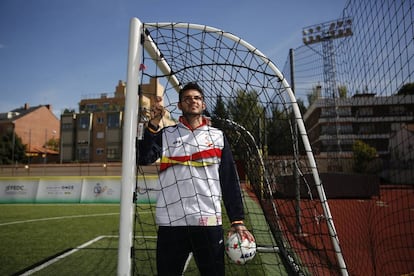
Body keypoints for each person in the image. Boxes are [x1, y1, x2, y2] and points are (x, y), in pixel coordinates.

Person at [138, 82, 255, 276]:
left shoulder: (218, 136)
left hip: (208, 221)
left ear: (203, 105)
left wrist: (237, 220)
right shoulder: (166, 134)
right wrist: (153, 124)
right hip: (171, 222)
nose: (192, 100)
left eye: (197, 98)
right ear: (179, 106)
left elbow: (229, 180)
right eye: (187, 98)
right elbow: (144, 158)